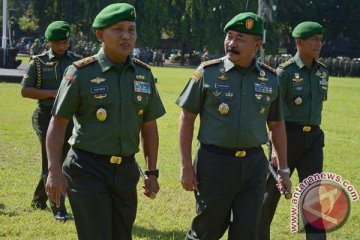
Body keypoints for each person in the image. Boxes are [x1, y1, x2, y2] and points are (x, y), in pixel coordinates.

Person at [45, 3, 165, 240]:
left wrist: (151, 172)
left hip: (126, 171)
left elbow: (149, 126)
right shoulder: (81, 72)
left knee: (122, 235)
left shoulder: (144, 74)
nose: (126, 35)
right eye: (118, 29)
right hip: (87, 168)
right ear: (100, 35)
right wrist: (53, 170)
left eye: (131, 29)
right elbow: (58, 123)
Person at [176, 12, 291, 240]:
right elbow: (186, 117)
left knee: (247, 230)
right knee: (207, 229)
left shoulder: (270, 78)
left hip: (253, 165)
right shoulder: (207, 72)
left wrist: (284, 170)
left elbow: (277, 124)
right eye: (229, 36)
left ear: (256, 45)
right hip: (214, 163)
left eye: (240, 39)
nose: (231, 43)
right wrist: (186, 166)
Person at [260, 21, 328, 240]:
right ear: (299, 42)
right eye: (314, 39)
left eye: (321, 39)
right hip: (286, 137)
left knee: (313, 195)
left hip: (314, 139)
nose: (319, 43)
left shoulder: (322, 72)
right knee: (270, 194)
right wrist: (274, 148)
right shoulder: (285, 73)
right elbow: (271, 113)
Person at [21, 20, 81, 221]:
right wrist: (51, 93)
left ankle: (39, 199)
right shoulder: (38, 62)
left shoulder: (78, 62)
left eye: (64, 42)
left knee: (61, 160)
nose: (61, 47)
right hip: (46, 116)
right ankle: (58, 208)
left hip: (69, 117)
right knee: (52, 160)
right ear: (49, 42)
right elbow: (25, 90)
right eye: (57, 43)